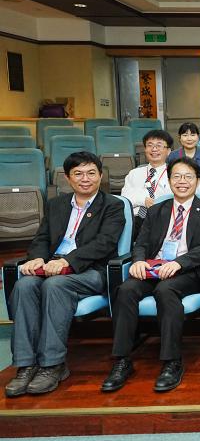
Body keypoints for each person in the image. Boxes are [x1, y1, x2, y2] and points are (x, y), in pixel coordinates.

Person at [5, 152, 125, 398]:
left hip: (90, 271)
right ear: (68, 179)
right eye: (78, 174)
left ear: (100, 176)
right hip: (51, 267)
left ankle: (53, 365)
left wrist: (67, 262)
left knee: (55, 286)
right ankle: (26, 365)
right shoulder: (57, 204)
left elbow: (104, 244)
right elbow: (41, 238)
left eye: (91, 173)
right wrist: (37, 257)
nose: (85, 179)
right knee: (25, 285)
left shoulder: (112, 205)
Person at [102, 157, 200, 393]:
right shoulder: (156, 210)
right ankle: (122, 360)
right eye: (176, 176)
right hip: (153, 268)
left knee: (165, 290)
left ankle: (171, 361)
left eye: (188, 177)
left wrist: (178, 263)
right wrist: (137, 262)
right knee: (125, 290)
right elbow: (141, 242)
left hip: (186, 271)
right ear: (169, 180)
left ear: (197, 181)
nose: (182, 181)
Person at [122, 130, 173, 220]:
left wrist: (136, 196)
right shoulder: (134, 173)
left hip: (163, 219)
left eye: (159, 145)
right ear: (145, 149)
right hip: (135, 219)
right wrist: (143, 200)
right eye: (150, 145)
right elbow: (125, 199)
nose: (154, 149)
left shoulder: (174, 174)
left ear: (168, 151)